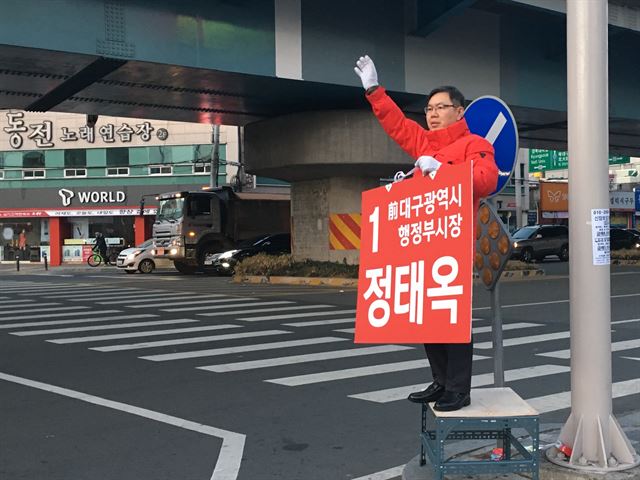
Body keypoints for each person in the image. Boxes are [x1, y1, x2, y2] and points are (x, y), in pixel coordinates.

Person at [354, 55, 499, 411]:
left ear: (460, 111)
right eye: (429, 109)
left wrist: (444, 168)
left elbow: (486, 180)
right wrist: (374, 90)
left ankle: (458, 389)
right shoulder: (424, 145)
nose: (432, 114)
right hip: (423, 246)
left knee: (452, 319)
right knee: (428, 318)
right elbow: (397, 125)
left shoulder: (475, 145)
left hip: (452, 247)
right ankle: (440, 381)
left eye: (441, 107)